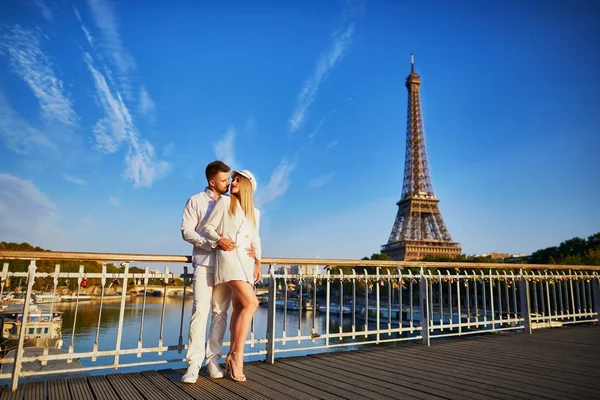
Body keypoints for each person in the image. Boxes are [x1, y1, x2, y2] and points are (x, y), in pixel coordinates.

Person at [180, 160, 252, 383]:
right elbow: (186, 231)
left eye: (229, 178)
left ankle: (213, 360)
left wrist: (252, 254)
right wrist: (212, 243)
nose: (228, 182)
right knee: (200, 311)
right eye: (223, 180)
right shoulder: (196, 201)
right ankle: (193, 364)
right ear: (212, 182)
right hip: (203, 262)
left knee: (220, 313)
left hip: (226, 266)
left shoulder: (232, 202)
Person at [202, 169, 262, 382]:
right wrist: (219, 240)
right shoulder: (225, 203)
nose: (233, 182)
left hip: (246, 263)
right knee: (252, 303)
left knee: (239, 307)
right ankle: (237, 357)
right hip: (228, 260)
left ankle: (231, 354)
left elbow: (256, 239)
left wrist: (258, 262)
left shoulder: (255, 212)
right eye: (233, 179)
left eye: (237, 180)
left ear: (247, 186)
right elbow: (207, 227)